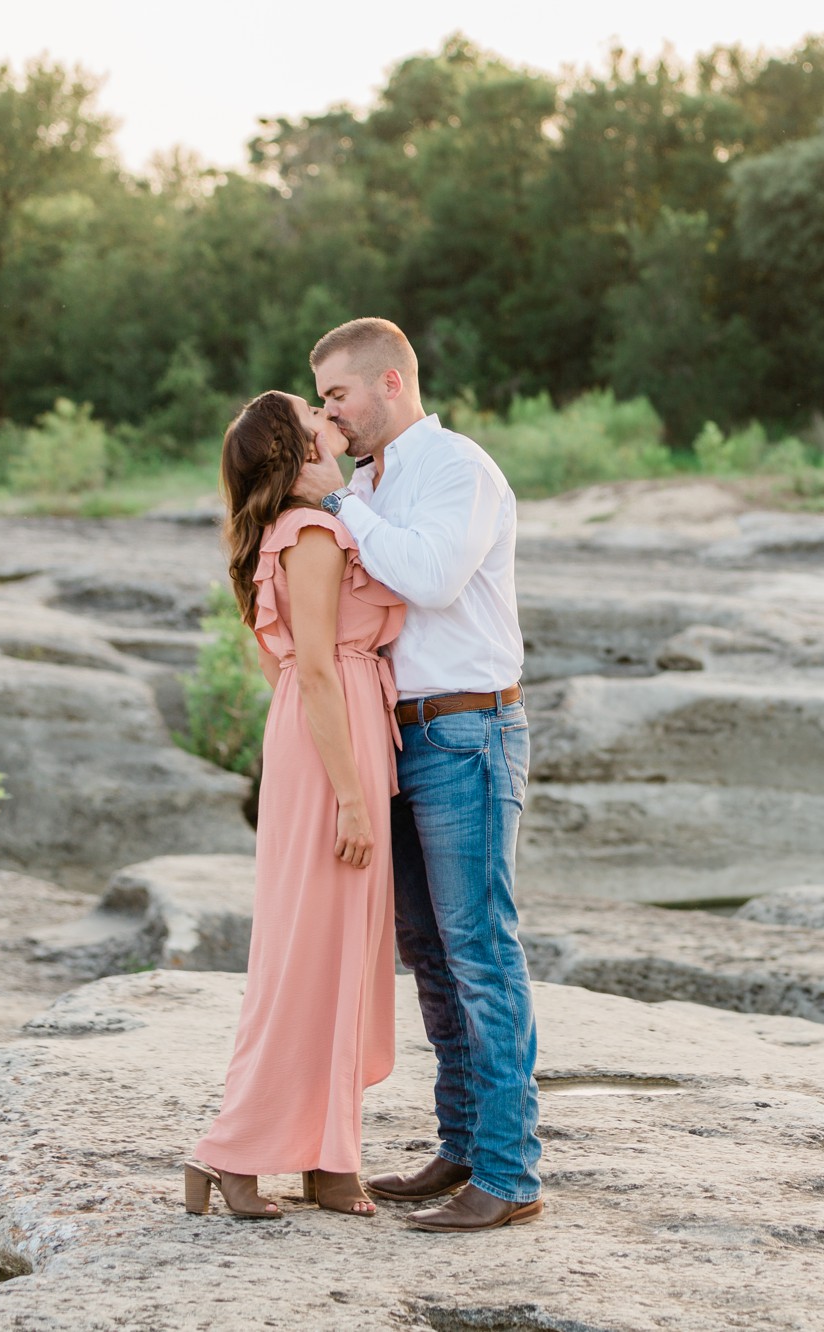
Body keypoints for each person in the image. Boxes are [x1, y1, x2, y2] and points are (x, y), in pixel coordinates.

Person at [291, 317, 543, 1233]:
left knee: (480, 950)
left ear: (391, 384)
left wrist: (343, 506)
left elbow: (431, 578)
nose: (331, 414)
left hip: (470, 729)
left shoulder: (457, 470)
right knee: (430, 954)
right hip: (398, 735)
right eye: (323, 400)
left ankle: (511, 1177)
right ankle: (463, 1143)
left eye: (338, 396)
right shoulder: (368, 482)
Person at [186, 390, 404, 1219]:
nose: (330, 420)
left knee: (331, 949)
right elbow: (310, 668)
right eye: (315, 419)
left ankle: (325, 1157)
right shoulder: (310, 533)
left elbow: (288, 673)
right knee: (315, 951)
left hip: (326, 729)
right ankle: (232, 1152)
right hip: (332, 738)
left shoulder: (293, 528)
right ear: (297, 449)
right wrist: (349, 795)